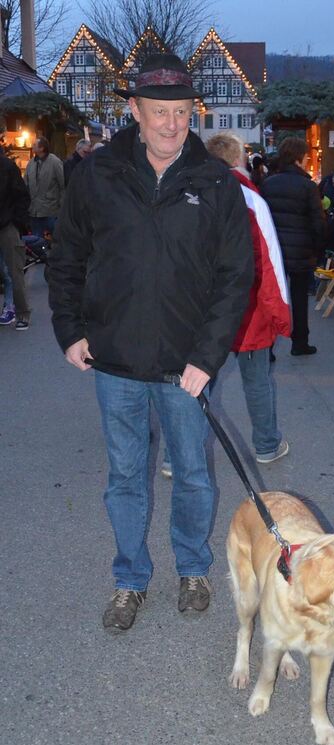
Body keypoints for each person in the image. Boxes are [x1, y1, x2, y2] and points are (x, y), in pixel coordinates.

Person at [47, 53, 254, 632]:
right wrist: (70, 331)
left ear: (194, 112)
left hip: (185, 366)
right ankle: (130, 579)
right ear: (134, 110)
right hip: (114, 362)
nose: (172, 124)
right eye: (159, 112)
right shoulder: (97, 175)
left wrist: (206, 357)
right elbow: (67, 258)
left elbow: (236, 277)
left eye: (183, 112)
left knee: (192, 473)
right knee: (126, 477)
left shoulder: (216, 184)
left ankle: (192, 568)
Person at [206, 132, 291, 463]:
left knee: (197, 384)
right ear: (239, 160)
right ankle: (267, 445)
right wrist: (280, 314)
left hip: (205, 310)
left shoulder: (192, 196)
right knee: (257, 382)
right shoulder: (253, 201)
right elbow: (270, 263)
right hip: (250, 308)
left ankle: (176, 455)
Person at [261, 137, 326, 356]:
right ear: (299, 158)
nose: (308, 158)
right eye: (306, 155)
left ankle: (266, 346)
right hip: (300, 251)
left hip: (274, 251)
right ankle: (300, 342)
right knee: (299, 299)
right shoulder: (308, 186)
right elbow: (318, 222)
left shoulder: (269, 183)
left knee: (272, 297)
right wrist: (317, 249)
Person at [0, 150, 31, 329]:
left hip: (7, 225)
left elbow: (22, 195)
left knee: (14, 271)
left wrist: (16, 222)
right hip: (7, 222)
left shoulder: (7, 167)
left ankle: (22, 313)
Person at [24, 137, 64, 239]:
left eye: (34, 145)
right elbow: (26, 183)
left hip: (50, 210)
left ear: (41, 148)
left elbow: (62, 184)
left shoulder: (55, 162)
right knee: (36, 239)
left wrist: (62, 206)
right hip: (34, 210)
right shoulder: (31, 163)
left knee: (57, 237)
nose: (32, 146)